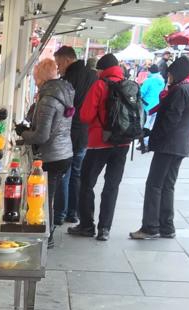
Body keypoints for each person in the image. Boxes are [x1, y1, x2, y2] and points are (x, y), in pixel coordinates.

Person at [130, 56, 189, 241]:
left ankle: (150, 227)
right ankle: (167, 226)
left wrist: (151, 139)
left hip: (168, 145)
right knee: (167, 185)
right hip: (180, 145)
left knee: (154, 185)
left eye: (170, 75)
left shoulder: (180, 91)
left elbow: (170, 120)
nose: (168, 78)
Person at [69, 53, 132, 242]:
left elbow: (86, 115)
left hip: (99, 143)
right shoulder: (128, 84)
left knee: (86, 183)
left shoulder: (100, 85)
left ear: (102, 70)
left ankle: (87, 225)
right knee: (112, 186)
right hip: (123, 142)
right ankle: (105, 229)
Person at [16, 58, 74, 246]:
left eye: (35, 78)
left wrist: (23, 133)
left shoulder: (48, 99)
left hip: (51, 155)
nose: (35, 82)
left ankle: (45, 238)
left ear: (41, 78)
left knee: (42, 197)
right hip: (64, 151)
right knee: (49, 194)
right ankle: (47, 232)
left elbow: (42, 136)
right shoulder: (63, 92)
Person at [53, 45, 98, 226]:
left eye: (59, 64)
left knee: (64, 173)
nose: (58, 68)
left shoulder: (68, 80)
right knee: (77, 173)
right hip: (86, 132)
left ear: (67, 60)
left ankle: (60, 214)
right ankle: (73, 212)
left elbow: (63, 109)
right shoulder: (93, 76)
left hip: (69, 132)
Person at [140, 63, 166, 129]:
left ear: (150, 71)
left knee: (144, 124)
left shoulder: (149, 81)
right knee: (151, 125)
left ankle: (143, 135)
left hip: (147, 105)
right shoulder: (162, 81)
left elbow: (141, 93)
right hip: (157, 105)